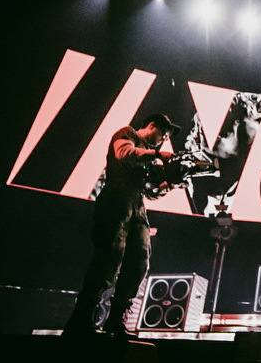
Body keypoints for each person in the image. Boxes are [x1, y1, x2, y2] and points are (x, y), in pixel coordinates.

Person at [63, 113, 181, 337]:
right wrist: (156, 155)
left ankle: (116, 320)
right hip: (115, 201)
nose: (164, 139)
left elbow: (148, 191)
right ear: (151, 125)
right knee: (108, 257)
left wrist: (165, 186)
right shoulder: (127, 134)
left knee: (139, 261)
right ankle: (81, 319)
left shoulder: (147, 156)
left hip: (136, 206)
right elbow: (123, 153)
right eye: (164, 133)